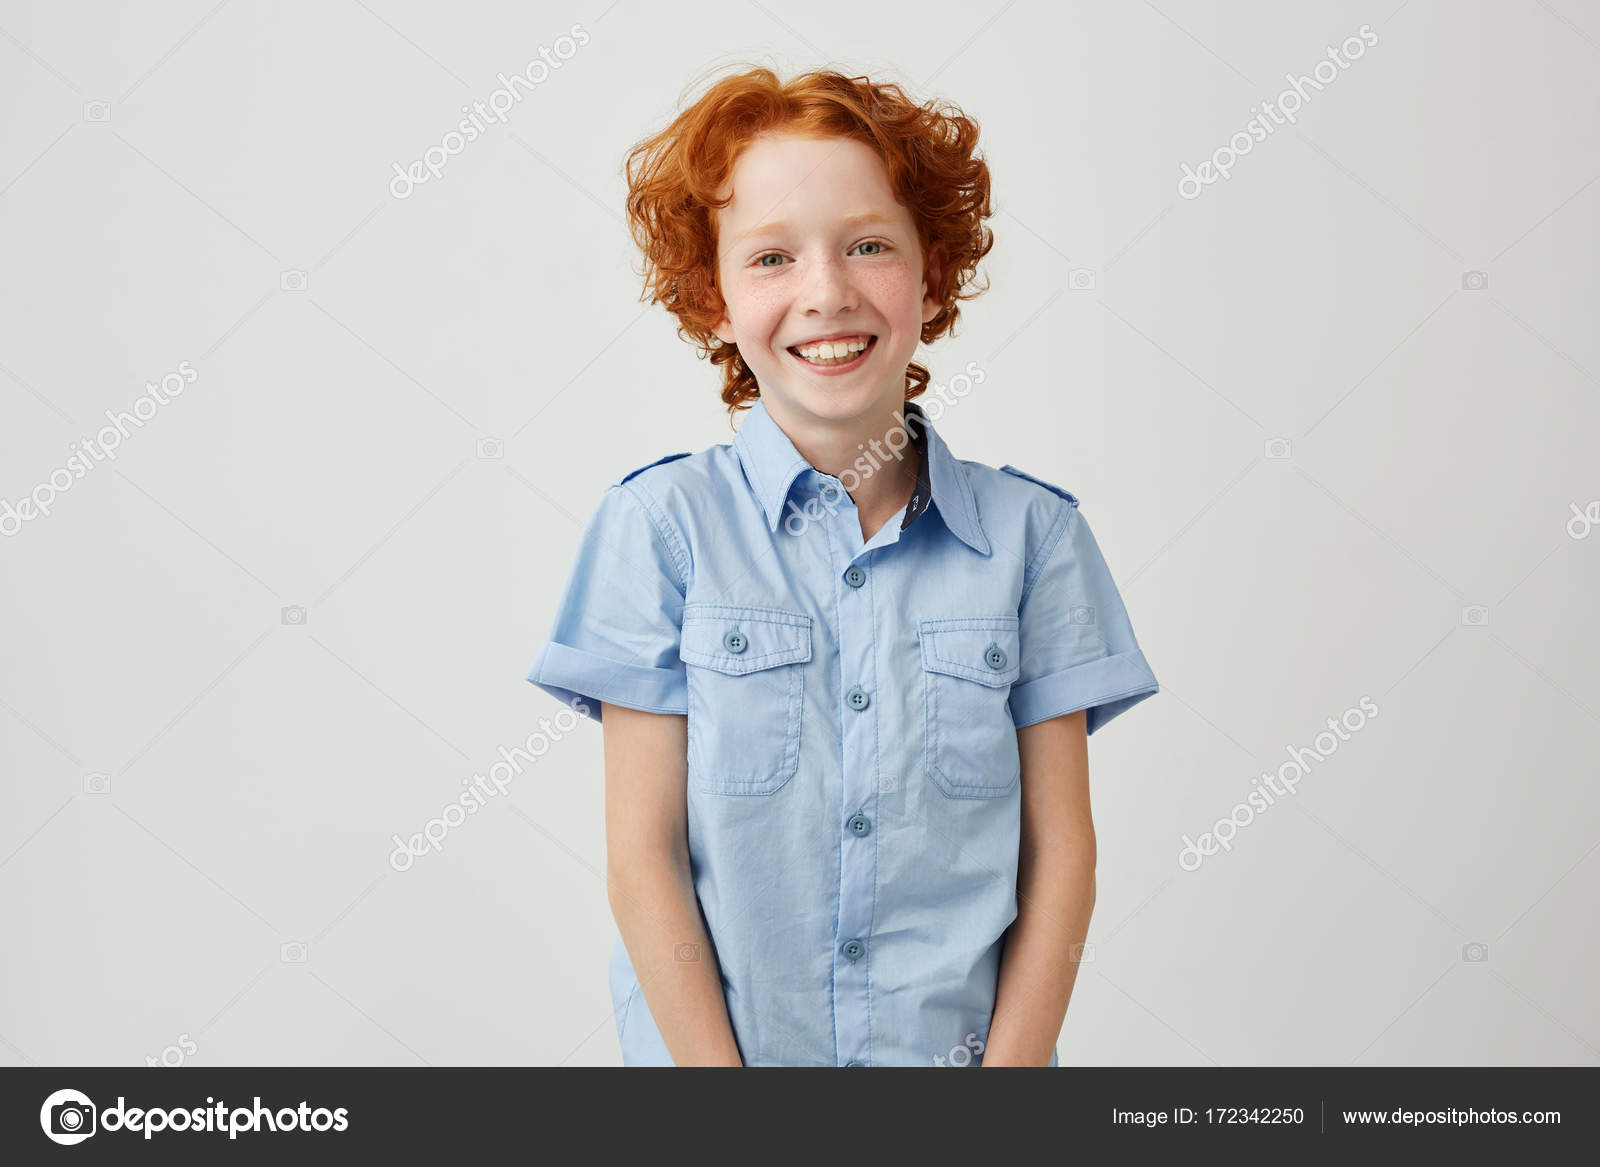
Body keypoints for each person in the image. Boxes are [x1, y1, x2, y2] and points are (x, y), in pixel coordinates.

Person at [526, 65, 1159, 1066]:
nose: (826, 292)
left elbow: (1062, 857)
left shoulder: (1036, 540)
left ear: (933, 274)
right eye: (771, 256)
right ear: (712, 298)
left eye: (868, 245)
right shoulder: (659, 528)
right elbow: (642, 858)